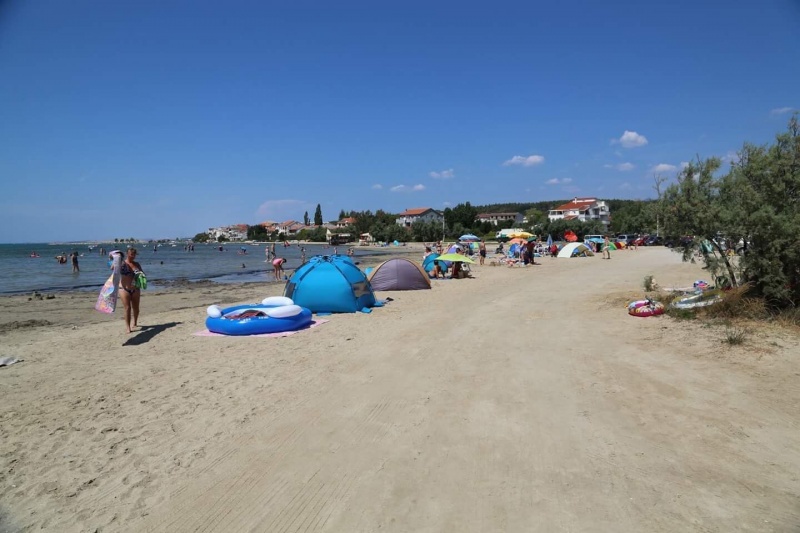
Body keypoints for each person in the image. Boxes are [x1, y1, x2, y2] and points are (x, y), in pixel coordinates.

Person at [118, 248, 144, 334]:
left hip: (135, 289)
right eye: (131, 254)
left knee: (136, 308)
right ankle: (128, 327)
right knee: (127, 308)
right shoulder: (122, 264)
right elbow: (113, 268)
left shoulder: (137, 264)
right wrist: (115, 260)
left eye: (134, 254)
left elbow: (143, 274)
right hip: (124, 289)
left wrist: (140, 276)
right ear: (127, 254)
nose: (133, 256)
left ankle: (135, 322)